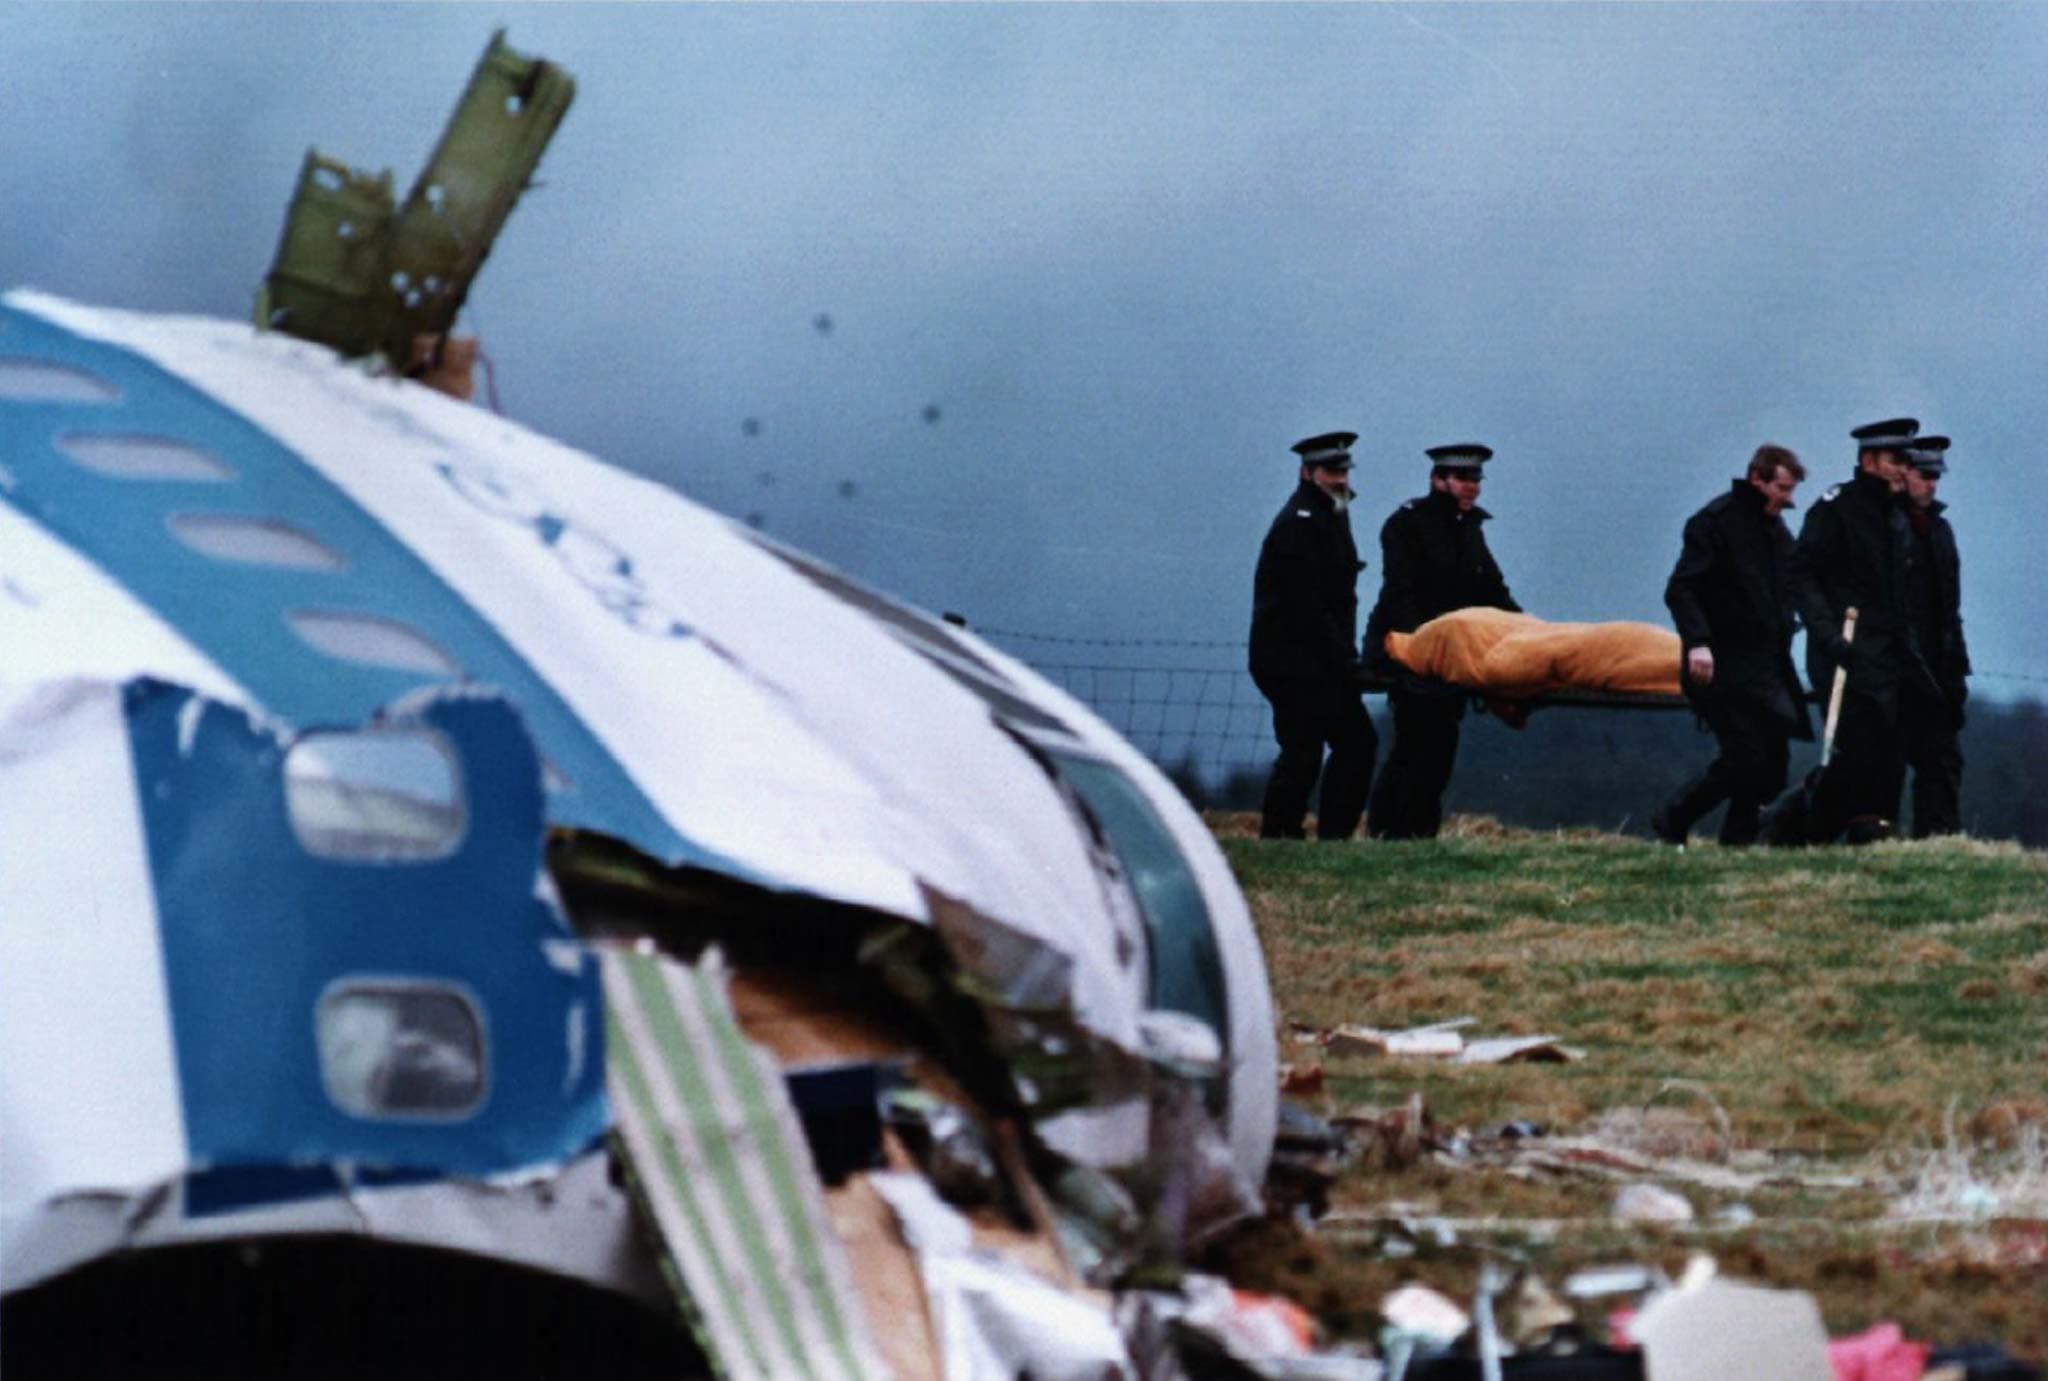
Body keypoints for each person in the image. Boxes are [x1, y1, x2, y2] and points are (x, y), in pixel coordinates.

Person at [1780, 416, 1944, 844]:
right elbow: (1802, 574)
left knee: (1890, 752)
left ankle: (1872, 832)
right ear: (1869, 460)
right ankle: (1793, 825)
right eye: (1894, 459)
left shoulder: (1895, 517)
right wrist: (1827, 633)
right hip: (1844, 652)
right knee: (1858, 752)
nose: (1901, 469)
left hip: (1888, 655)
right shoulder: (1836, 509)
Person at [1652, 445, 1814, 846]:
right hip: (1720, 666)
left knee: (1774, 764)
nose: (1789, 499)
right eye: (1782, 488)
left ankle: (1737, 844)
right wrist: (1698, 644)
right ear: (1756, 479)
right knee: (1746, 757)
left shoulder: (1778, 533)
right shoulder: (1713, 523)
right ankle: (1675, 815)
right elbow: (1681, 589)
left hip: (1767, 669)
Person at [1362, 443, 1519, 840]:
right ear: (1439, 479)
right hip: (1412, 652)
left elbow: (1493, 591)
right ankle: (1389, 830)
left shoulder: (1470, 529)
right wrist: (1424, 650)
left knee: (1439, 747)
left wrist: (1528, 633)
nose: (1472, 487)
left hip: (1450, 656)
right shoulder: (1406, 524)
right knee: (1416, 743)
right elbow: (1402, 592)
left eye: (1476, 479)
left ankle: (1417, 834)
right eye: (1464, 479)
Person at [1247, 430, 1376, 840]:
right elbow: (1308, 606)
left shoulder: (1328, 513)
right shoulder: (1301, 522)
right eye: (1330, 470)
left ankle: (1319, 834)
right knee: (1309, 749)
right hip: (1295, 661)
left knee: (1342, 743)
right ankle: (1284, 833)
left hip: (1316, 660)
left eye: (1343, 470)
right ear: (1307, 473)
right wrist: (1346, 659)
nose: (1340, 478)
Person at [1894, 434, 1970, 835]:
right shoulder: (1888, 525)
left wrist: (1956, 670)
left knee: (1942, 761)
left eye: (1935, 476)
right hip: (1895, 668)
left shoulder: (1940, 530)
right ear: (1904, 473)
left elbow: (1950, 610)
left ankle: (1937, 841)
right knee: (1880, 765)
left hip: (1938, 668)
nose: (1931, 484)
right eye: (1924, 475)